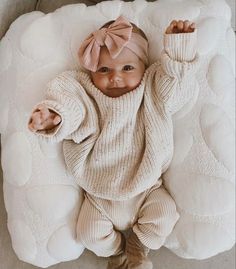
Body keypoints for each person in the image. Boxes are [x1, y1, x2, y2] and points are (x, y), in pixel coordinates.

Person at [28, 16, 199, 269]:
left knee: (165, 214)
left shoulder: (151, 88)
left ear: (144, 65)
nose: (115, 78)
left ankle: (138, 248)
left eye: (127, 68)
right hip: (98, 193)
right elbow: (72, 107)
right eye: (104, 70)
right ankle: (117, 252)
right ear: (91, 70)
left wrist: (179, 47)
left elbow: (177, 85)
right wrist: (55, 116)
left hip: (147, 188)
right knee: (88, 234)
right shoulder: (86, 92)